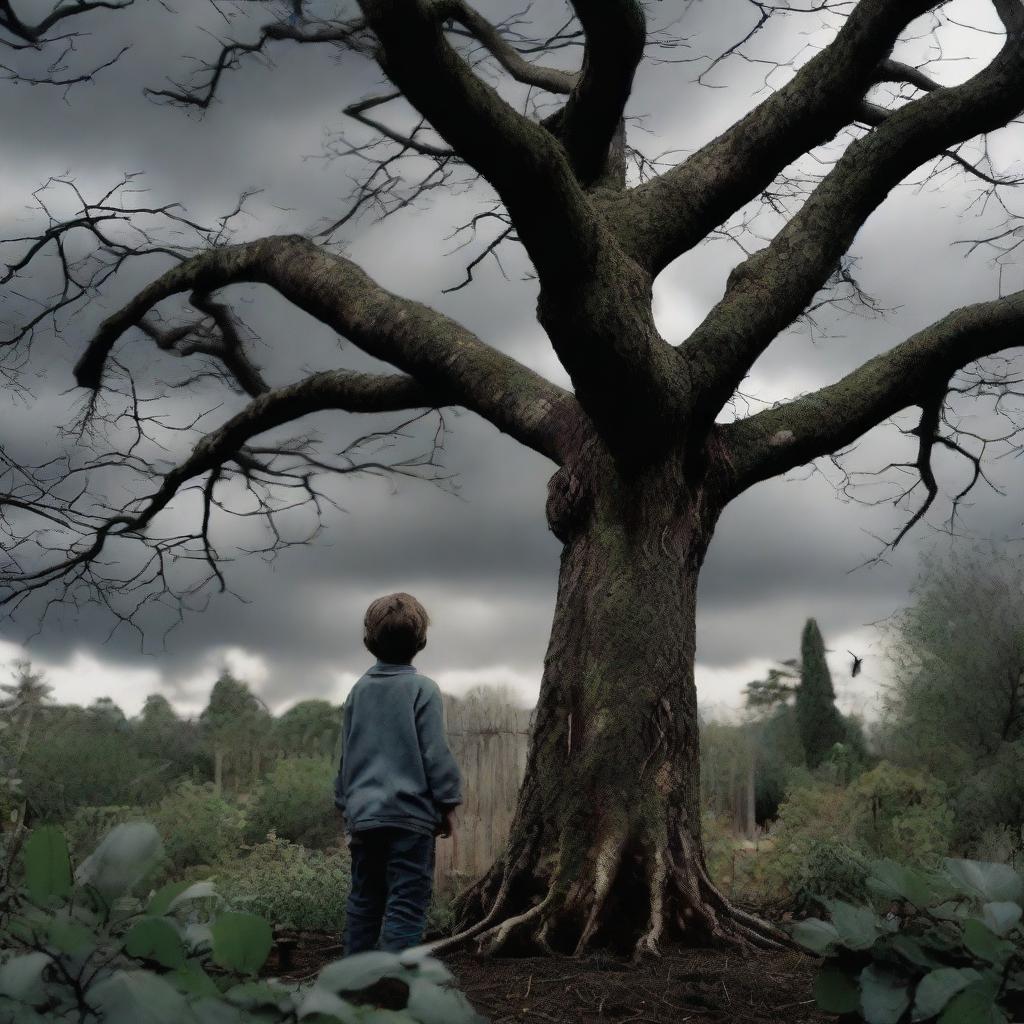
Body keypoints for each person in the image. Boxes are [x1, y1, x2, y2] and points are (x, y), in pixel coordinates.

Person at [334, 592, 463, 954]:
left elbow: (346, 755)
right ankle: (394, 982)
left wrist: (344, 803)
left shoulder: (357, 692)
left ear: (367, 642)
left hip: (364, 819)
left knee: (364, 901)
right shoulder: (423, 690)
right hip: (411, 820)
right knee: (407, 902)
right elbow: (435, 753)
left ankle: (353, 983)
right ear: (421, 642)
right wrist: (448, 803)